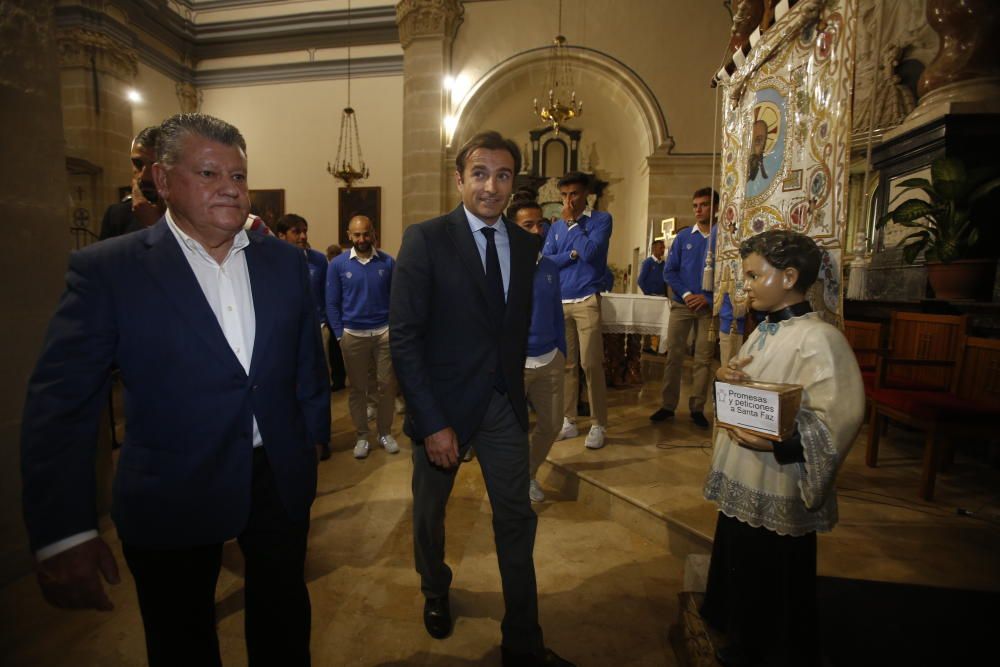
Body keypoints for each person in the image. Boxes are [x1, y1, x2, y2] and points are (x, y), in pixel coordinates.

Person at [20, 113, 330, 666]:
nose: (231, 189)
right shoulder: (109, 271)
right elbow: (61, 407)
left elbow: (306, 362)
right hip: (170, 487)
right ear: (163, 181)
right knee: (181, 639)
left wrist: (309, 445)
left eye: (239, 176)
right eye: (210, 173)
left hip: (276, 480)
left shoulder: (284, 263)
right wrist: (64, 533)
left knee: (283, 622)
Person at [390, 131, 574, 667]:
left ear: (514, 183)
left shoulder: (525, 244)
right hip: (442, 409)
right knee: (429, 514)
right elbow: (405, 336)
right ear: (459, 178)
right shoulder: (426, 239)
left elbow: (510, 331)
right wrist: (430, 422)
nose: (490, 186)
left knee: (515, 518)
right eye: (479, 173)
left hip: (502, 406)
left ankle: (523, 634)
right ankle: (434, 590)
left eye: (502, 175)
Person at [701, 230, 864, 667]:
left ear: (789, 276)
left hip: (777, 474)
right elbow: (747, 387)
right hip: (744, 466)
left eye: (754, 275)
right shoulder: (763, 331)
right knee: (740, 549)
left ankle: (763, 644)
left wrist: (787, 442)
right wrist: (726, 378)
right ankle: (729, 618)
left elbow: (841, 414)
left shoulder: (819, 339)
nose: (746, 284)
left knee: (768, 563)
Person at [542, 171, 613, 450]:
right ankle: (569, 420)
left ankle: (598, 423)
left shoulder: (600, 220)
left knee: (591, 363)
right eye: (564, 195)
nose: (568, 200)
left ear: (586, 195)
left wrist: (572, 224)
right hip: (560, 301)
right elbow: (548, 260)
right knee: (567, 365)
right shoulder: (556, 226)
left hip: (586, 299)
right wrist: (571, 254)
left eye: (574, 194)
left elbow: (592, 253)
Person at [508, 196, 566, 504]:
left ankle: (528, 474)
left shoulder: (550, 267)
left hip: (549, 360)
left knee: (552, 423)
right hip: (515, 363)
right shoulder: (502, 267)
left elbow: (556, 310)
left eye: (539, 224)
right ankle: (513, 481)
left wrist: (562, 351)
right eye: (526, 225)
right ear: (512, 228)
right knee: (511, 431)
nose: (535, 230)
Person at [327, 214, 399, 459]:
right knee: (358, 389)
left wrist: (394, 330)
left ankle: (384, 432)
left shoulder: (388, 263)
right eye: (356, 234)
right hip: (353, 335)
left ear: (373, 233)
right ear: (349, 235)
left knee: (387, 386)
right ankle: (361, 436)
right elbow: (332, 302)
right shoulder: (337, 265)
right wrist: (339, 335)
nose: (362, 239)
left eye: (366, 233)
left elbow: (397, 300)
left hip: (383, 333)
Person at [650, 187, 718, 428]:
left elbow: (728, 274)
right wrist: (688, 294)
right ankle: (668, 405)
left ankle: (697, 407)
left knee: (703, 359)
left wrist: (708, 298)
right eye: (695, 205)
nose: (699, 209)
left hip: (708, 308)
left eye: (705, 204)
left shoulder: (722, 237)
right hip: (682, 304)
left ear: (716, 208)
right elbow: (670, 271)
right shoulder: (683, 238)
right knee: (674, 356)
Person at [275, 213, 334, 461]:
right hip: (284, 333)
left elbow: (326, 296)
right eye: (296, 231)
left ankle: (321, 437)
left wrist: (331, 328)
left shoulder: (319, 260)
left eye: (304, 230)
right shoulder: (272, 262)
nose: (303, 236)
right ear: (281, 235)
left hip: (317, 328)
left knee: (319, 382)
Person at [98, 126, 166, 240]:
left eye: (155, 166)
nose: (144, 176)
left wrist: (154, 225)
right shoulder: (117, 215)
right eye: (138, 164)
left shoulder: (189, 214)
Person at [324, 244, 348, 391]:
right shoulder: (330, 267)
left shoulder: (341, 267)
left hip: (342, 316)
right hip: (332, 315)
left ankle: (339, 379)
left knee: (336, 353)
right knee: (333, 353)